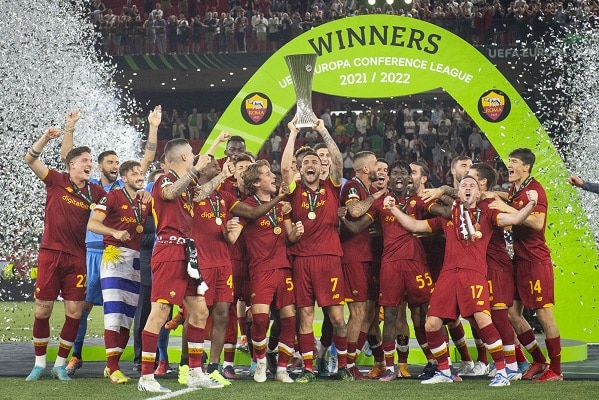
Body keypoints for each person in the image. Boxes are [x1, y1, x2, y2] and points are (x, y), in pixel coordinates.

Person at [385, 175, 539, 386]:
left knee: (483, 321)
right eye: (464, 185)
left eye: (472, 185)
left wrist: (531, 204)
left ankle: (502, 373)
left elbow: (515, 219)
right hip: (448, 276)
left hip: (473, 275)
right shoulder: (448, 218)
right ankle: (444, 371)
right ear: (458, 192)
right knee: (431, 324)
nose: (467, 187)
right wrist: (393, 209)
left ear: (478, 193)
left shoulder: (487, 214)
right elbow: (414, 225)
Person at [65, 106, 160, 376]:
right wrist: (70, 128)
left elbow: (147, 159)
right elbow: (68, 160)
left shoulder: (130, 189)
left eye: (117, 162)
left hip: (123, 253)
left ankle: (114, 362)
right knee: (82, 307)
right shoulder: (94, 188)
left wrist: (153, 126)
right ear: (100, 166)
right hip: (93, 252)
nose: (114, 166)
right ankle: (76, 355)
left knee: (122, 309)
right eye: (109, 162)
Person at [137, 139, 221, 393]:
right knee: (161, 310)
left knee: (200, 311)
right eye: (192, 153)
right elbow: (170, 193)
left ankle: (195, 372)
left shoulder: (186, 183)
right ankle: (146, 377)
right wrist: (197, 170)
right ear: (184, 158)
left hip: (187, 252)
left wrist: (223, 176)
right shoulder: (164, 180)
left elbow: (201, 193)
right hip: (169, 250)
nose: (194, 155)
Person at [24, 122, 106, 381]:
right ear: (72, 164)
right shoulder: (56, 180)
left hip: (77, 258)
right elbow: (30, 159)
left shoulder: (95, 191)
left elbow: (115, 204)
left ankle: (60, 365)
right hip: (50, 254)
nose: (90, 164)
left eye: (91, 160)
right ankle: (39, 364)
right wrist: (45, 137)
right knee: (42, 311)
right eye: (85, 160)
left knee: (74, 312)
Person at [280, 115, 353, 382]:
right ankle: (309, 369)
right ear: (300, 169)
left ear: (322, 167)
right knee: (306, 316)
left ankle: (343, 366)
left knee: (337, 318)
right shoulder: (293, 190)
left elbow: (338, 161)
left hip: (330, 258)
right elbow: (284, 167)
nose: (311, 165)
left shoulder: (331, 188)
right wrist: (291, 133)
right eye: (306, 163)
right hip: (301, 260)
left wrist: (323, 130)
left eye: (315, 162)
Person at [501, 148, 563, 382]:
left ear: (526, 167)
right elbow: (512, 202)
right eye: (509, 161)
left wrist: (507, 208)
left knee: (544, 316)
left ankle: (556, 370)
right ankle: (538, 360)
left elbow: (537, 223)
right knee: (512, 313)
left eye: (514, 161)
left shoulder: (535, 190)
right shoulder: (516, 188)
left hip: (535, 261)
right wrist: (496, 196)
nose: (509, 165)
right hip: (518, 260)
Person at [238, 160, 303, 383]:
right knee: (259, 320)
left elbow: (289, 237)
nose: (273, 176)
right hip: (260, 270)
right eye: (267, 174)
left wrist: (297, 233)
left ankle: (282, 369)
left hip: (283, 268)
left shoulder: (281, 206)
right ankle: (260, 362)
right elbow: (253, 216)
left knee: (290, 319)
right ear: (256, 182)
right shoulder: (247, 206)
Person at [87, 160, 151, 384]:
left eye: (141, 172)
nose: (140, 176)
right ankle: (114, 368)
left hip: (136, 259)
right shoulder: (113, 196)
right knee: (114, 312)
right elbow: (93, 224)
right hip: (114, 255)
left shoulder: (145, 200)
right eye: (134, 173)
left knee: (127, 317)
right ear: (124, 178)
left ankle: (111, 365)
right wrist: (113, 232)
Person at [338, 151, 386, 380]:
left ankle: (352, 361)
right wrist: (375, 198)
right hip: (353, 256)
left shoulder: (367, 190)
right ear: (366, 168)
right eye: (376, 163)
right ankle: (346, 365)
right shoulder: (353, 187)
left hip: (368, 257)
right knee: (357, 312)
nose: (379, 167)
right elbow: (355, 211)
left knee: (368, 313)